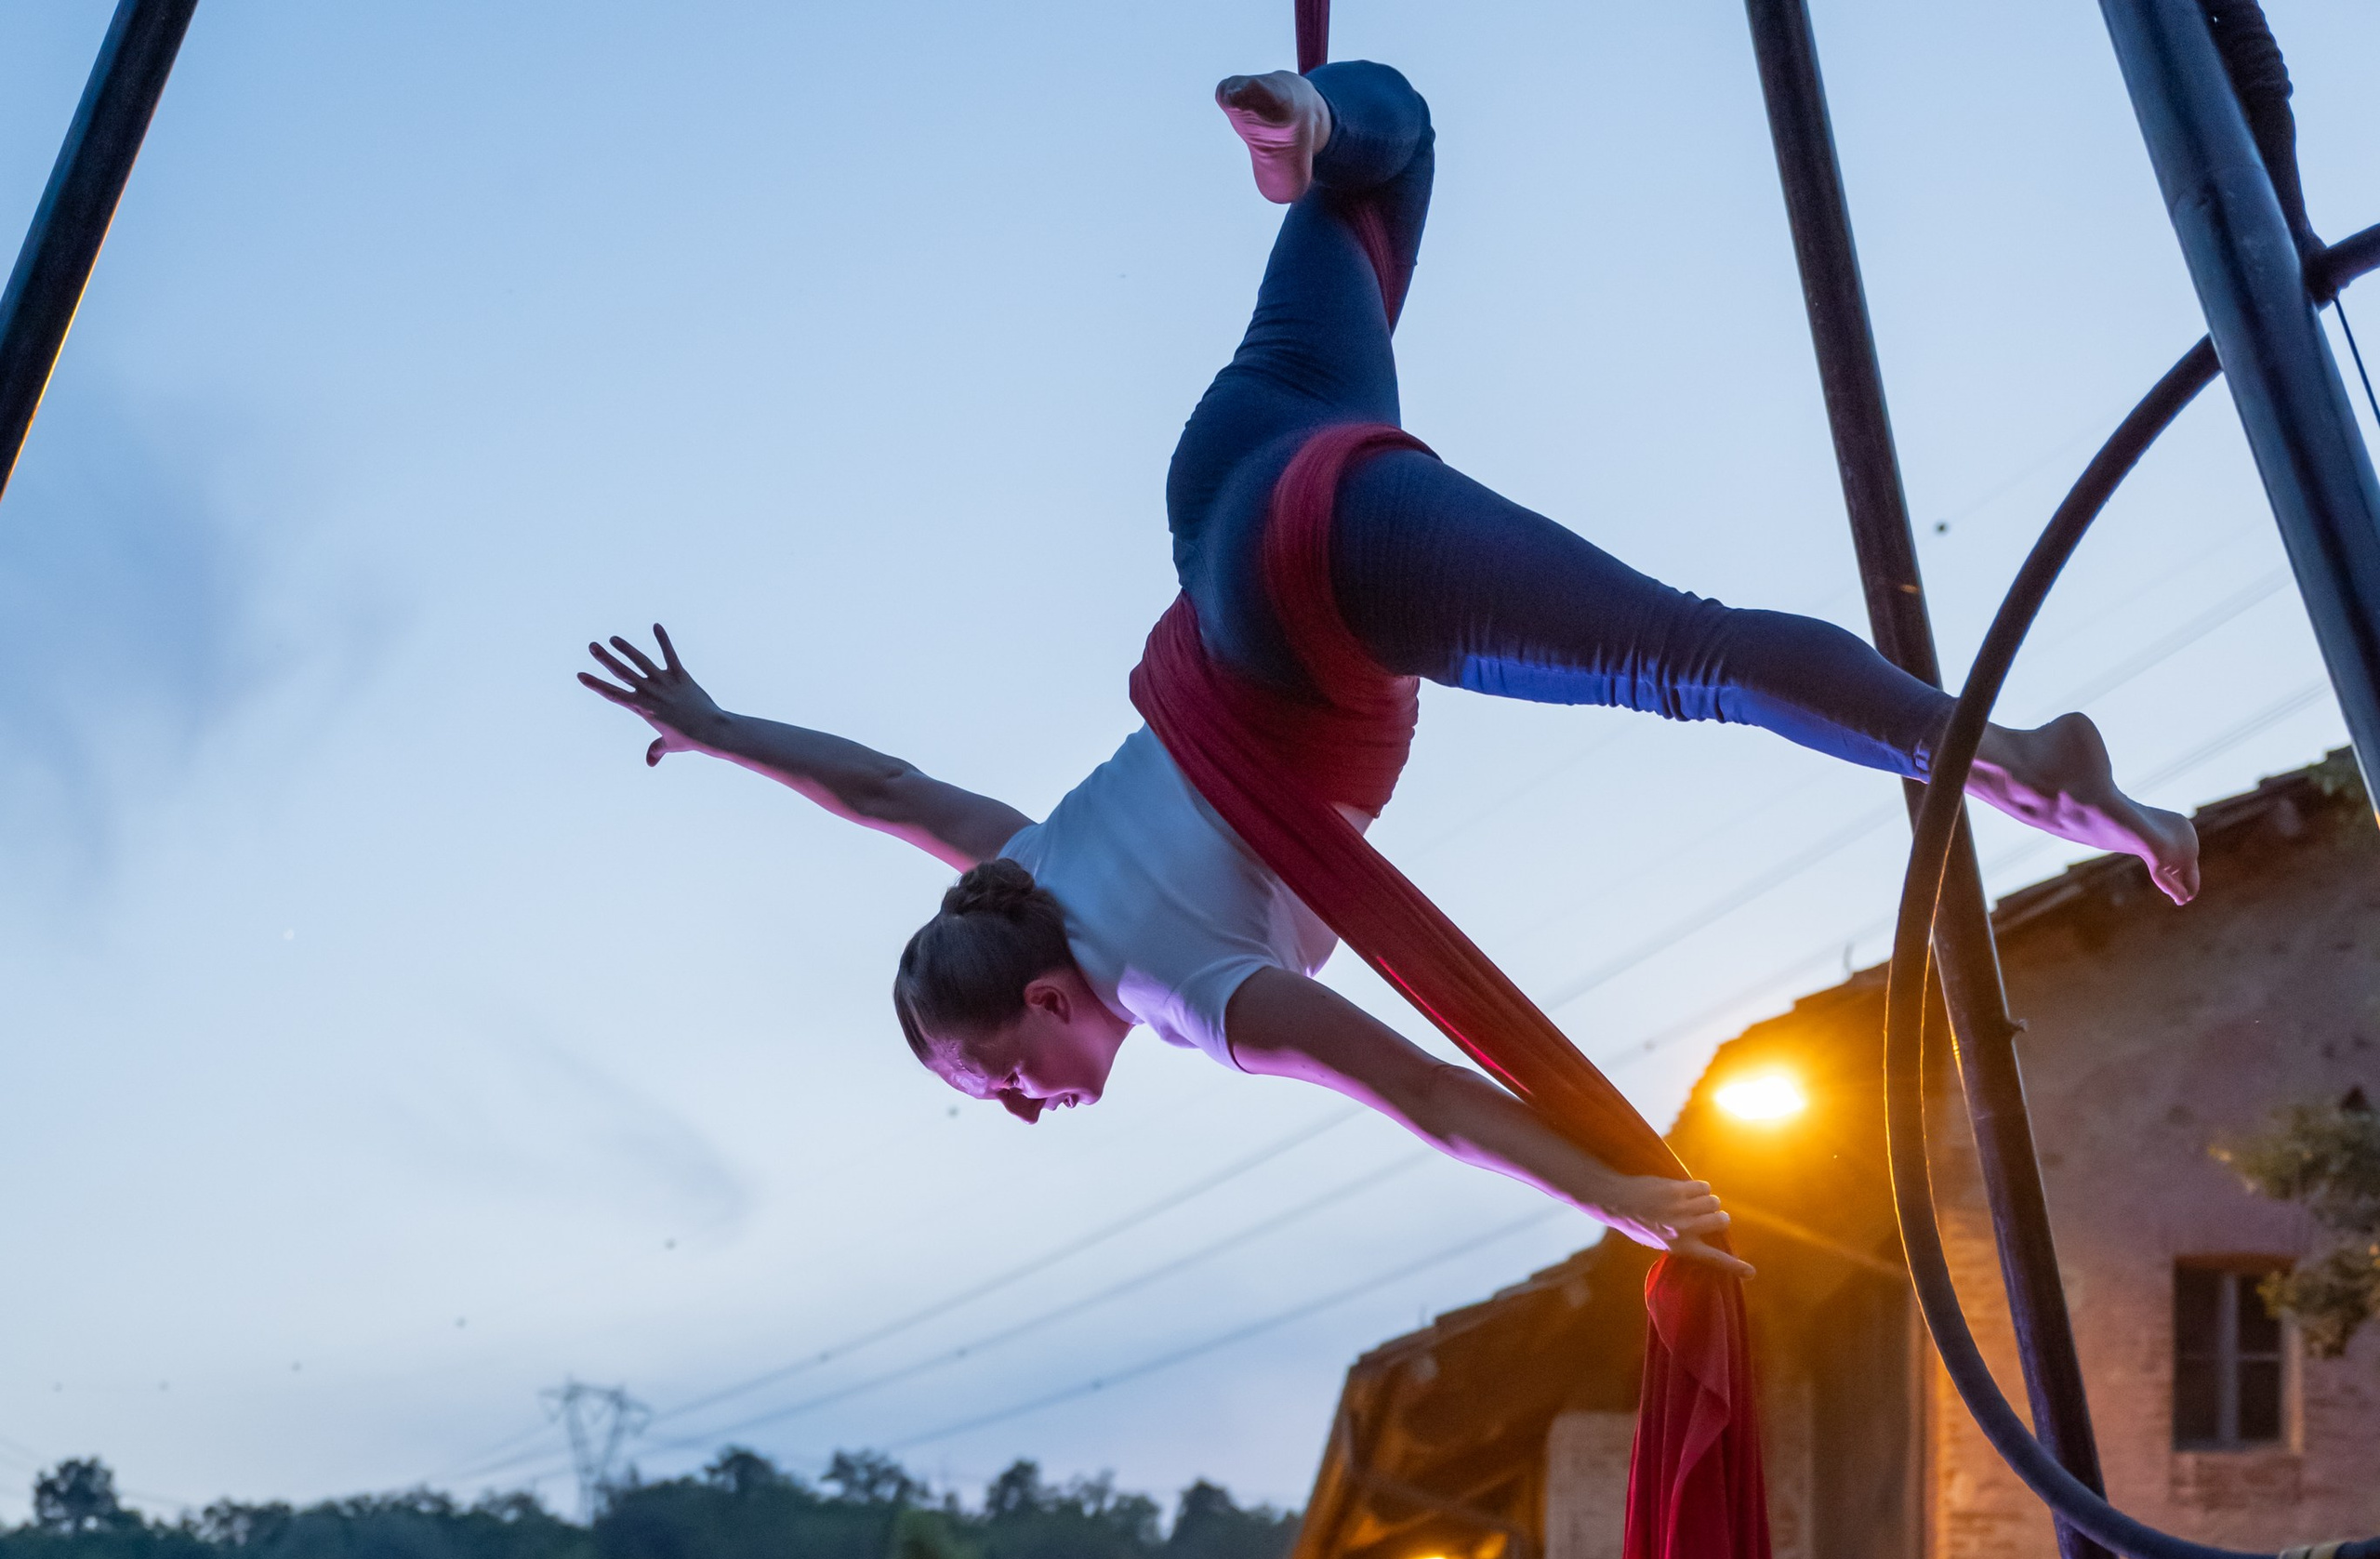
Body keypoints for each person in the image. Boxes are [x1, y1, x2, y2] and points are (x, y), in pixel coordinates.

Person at [578, 66, 2194, 1285]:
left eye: (1002, 1074)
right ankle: (1308, 140)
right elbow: (880, 792)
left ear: (1051, 1006)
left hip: (1313, 580)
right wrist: (715, 731)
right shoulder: (1025, 869)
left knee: (1684, 657)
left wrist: (1615, 1197)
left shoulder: (1190, 996)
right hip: (1220, 484)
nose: (1023, 1106)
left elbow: (1421, 1090)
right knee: (1390, 157)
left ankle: (2025, 762)